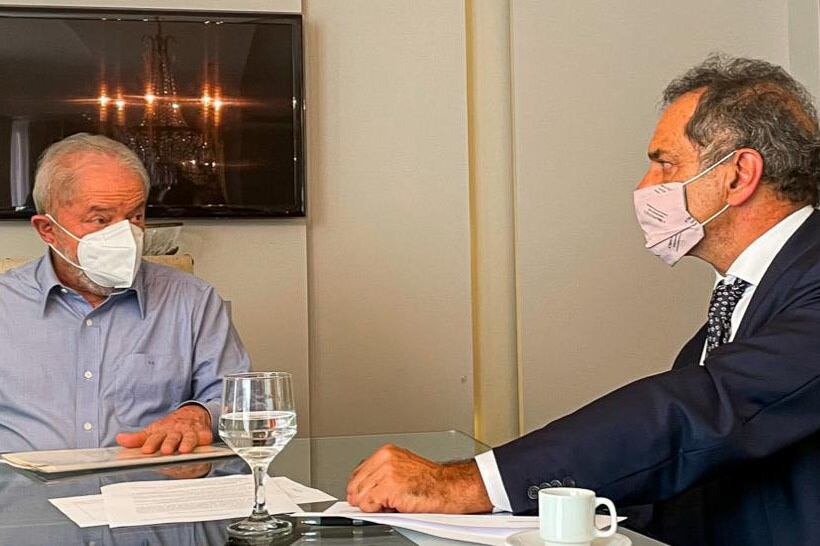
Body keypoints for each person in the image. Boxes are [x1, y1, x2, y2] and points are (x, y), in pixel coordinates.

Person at [346, 54, 820, 545]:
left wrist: (471, 484)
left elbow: (696, 414)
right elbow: (686, 471)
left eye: (664, 164)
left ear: (739, 175)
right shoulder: (749, 296)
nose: (644, 186)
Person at [0, 133, 250, 454]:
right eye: (100, 219)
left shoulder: (193, 300)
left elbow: (239, 402)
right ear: (47, 230)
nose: (125, 236)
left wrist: (196, 416)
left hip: (151, 483)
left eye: (135, 216)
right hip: (26, 486)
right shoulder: (6, 304)